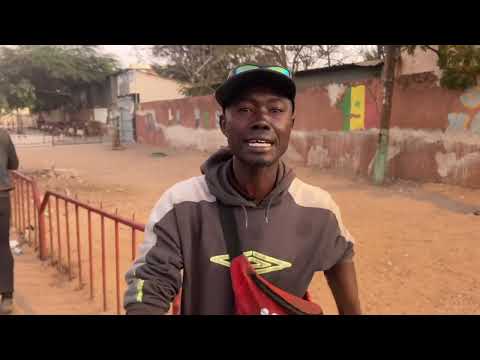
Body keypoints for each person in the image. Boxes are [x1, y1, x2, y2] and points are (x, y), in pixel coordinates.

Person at [124, 64, 361, 315]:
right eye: (245, 109)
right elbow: (150, 282)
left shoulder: (319, 209)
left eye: (276, 110)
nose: (261, 120)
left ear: (291, 123)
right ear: (223, 123)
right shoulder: (181, 203)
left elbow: (341, 261)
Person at [0, 128, 19, 314]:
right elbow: (14, 163)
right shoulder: (3, 135)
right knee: (3, 246)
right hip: (2, 197)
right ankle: (7, 298)